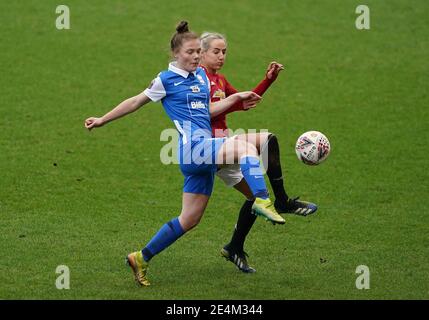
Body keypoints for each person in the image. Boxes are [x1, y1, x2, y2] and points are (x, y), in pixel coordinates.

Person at [84, 21, 286, 287]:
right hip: (193, 148)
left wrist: (236, 99)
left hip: (202, 154)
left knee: (189, 219)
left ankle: (141, 257)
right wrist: (102, 119)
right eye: (189, 52)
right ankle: (262, 200)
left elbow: (207, 112)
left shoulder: (200, 77)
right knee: (247, 148)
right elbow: (135, 102)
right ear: (176, 54)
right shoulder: (165, 80)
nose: (194, 57)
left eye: (197, 52)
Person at [199, 32, 318, 273]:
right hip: (211, 149)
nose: (222, 56)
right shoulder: (197, 80)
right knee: (265, 141)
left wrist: (268, 81)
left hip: (227, 147)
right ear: (201, 53)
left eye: (224, 52)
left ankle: (233, 247)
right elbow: (200, 113)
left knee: (255, 196)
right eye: (216, 51)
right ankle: (282, 202)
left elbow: (245, 102)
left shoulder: (220, 80)